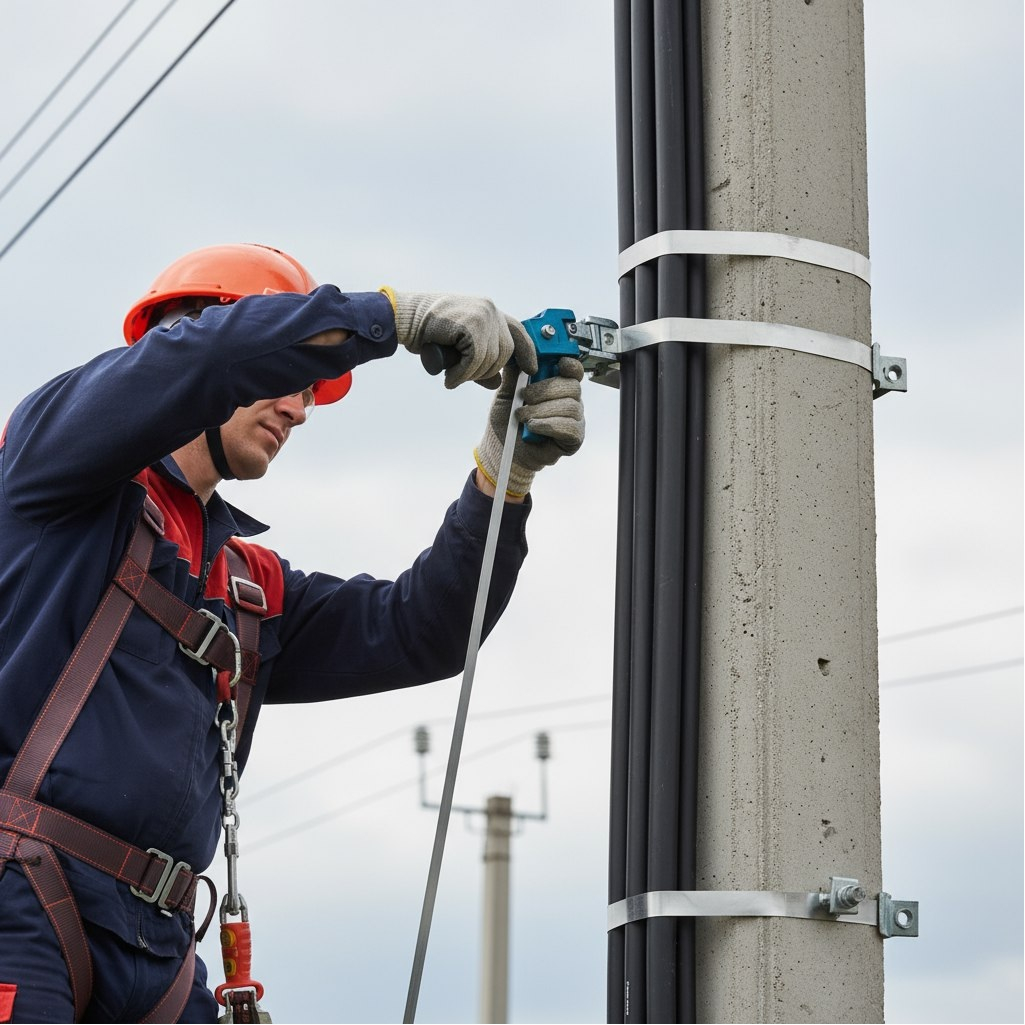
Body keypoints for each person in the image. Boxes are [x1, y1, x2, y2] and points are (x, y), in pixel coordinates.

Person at [0, 243, 585, 1023]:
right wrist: (389, 317)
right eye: (289, 379)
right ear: (205, 339)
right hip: (23, 907)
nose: (301, 409)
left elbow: (425, 629)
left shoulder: (246, 589)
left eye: (311, 390)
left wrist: (503, 476)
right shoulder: (58, 469)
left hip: (159, 953)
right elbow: (200, 360)